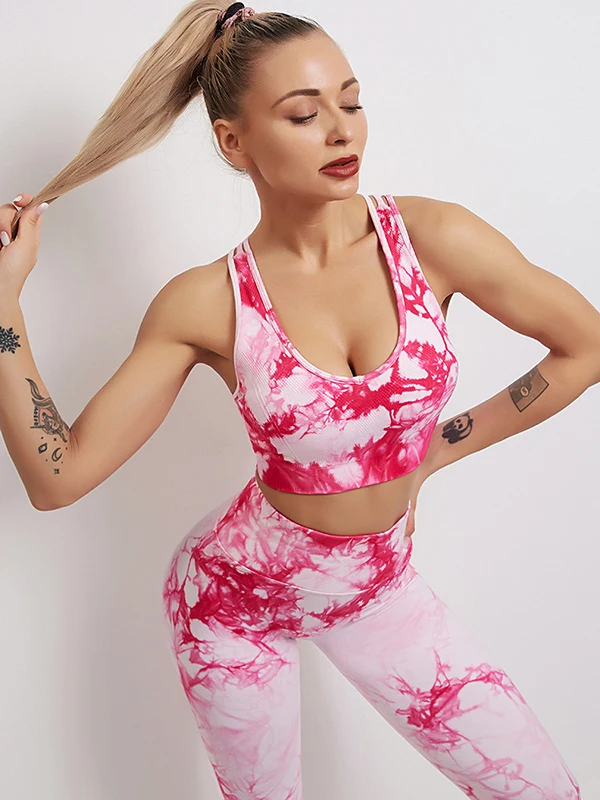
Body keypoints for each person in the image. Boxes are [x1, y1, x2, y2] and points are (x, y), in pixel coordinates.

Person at [1, 2, 598, 798]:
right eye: (305, 115)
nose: (343, 132)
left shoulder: (434, 240)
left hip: (376, 589)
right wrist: (4, 305)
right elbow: (58, 476)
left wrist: (428, 455)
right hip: (230, 606)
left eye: (352, 102)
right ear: (233, 142)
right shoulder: (205, 302)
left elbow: (585, 348)